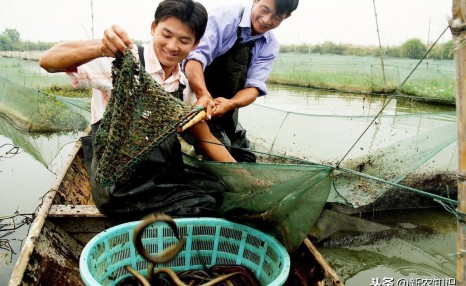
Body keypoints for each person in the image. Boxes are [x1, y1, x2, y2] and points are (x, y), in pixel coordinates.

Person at [39, 0, 232, 218]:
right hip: (120, 186)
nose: (172, 46)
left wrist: (246, 177)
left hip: (161, 176)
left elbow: (204, 138)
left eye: (184, 40)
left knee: (219, 188)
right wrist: (100, 48)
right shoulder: (122, 63)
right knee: (204, 204)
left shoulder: (183, 86)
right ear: (153, 28)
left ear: (195, 44)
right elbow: (48, 61)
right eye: (166, 35)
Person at [183, 0, 299, 162]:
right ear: (256, 0)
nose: (266, 20)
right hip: (194, 101)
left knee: (247, 158)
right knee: (222, 157)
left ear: (286, 17)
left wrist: (230, 104)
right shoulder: (225, 18)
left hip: (226, 108)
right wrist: (203, 94)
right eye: (264, 10)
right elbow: (194, 59)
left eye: (277, 17)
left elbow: (254, 88)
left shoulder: (269, 45)